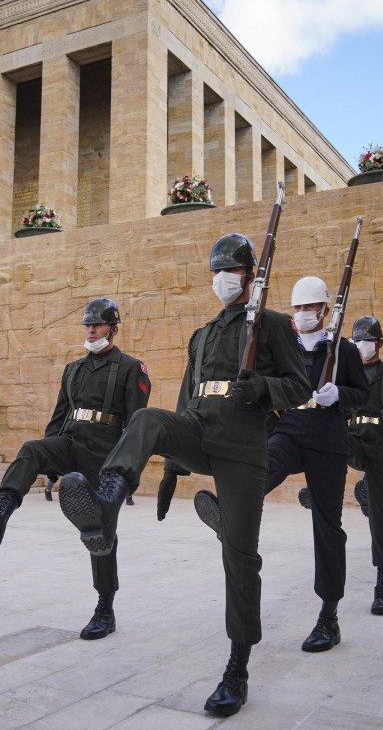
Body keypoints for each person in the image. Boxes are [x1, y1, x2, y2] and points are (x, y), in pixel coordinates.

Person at [57, 236, 309, 716]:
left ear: (250, 274)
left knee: (239, 557)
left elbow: (300, 387)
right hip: (199, 429)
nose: (222, 279)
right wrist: (172, 464)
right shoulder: (204, 333)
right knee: (149, 418)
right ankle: (107, 498)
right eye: (216, 270)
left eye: (230, 270)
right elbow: (184, 401)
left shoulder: (274, 325)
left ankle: (238, 666)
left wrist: (265, 387)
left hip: (242, 449)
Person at [192, 275, 369, 654]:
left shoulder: (344, 351)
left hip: (326, 439)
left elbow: (363, 396)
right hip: (288, 428)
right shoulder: (282, 339)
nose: (304, 314)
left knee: (327, 525)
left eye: (311, 307)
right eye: (299, 307)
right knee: (261, 470)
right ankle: (228, 513)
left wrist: (339, 395)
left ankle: (329, 615)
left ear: (325, 310)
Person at [0, 297, 152, 641]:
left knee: (101, 534)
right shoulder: (73, 369)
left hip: (105, 454)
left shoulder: (130, 368)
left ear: (114, 328)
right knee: (33, 449)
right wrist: (50, 464)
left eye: (98, 324)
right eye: (87, 324)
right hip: (71, 441)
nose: (91, 329)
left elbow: (135, 426)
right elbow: (59, 417)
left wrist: (123, 476)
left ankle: (104, 609)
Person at [304, 315, 383, 616]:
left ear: (380, 344)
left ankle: (382, 585)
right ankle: (316, 487)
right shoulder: (347, 371)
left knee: (381, 518)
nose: (362, 346)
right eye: (358, 341)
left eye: (368, 341)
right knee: (328, 442)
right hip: (353, 438)